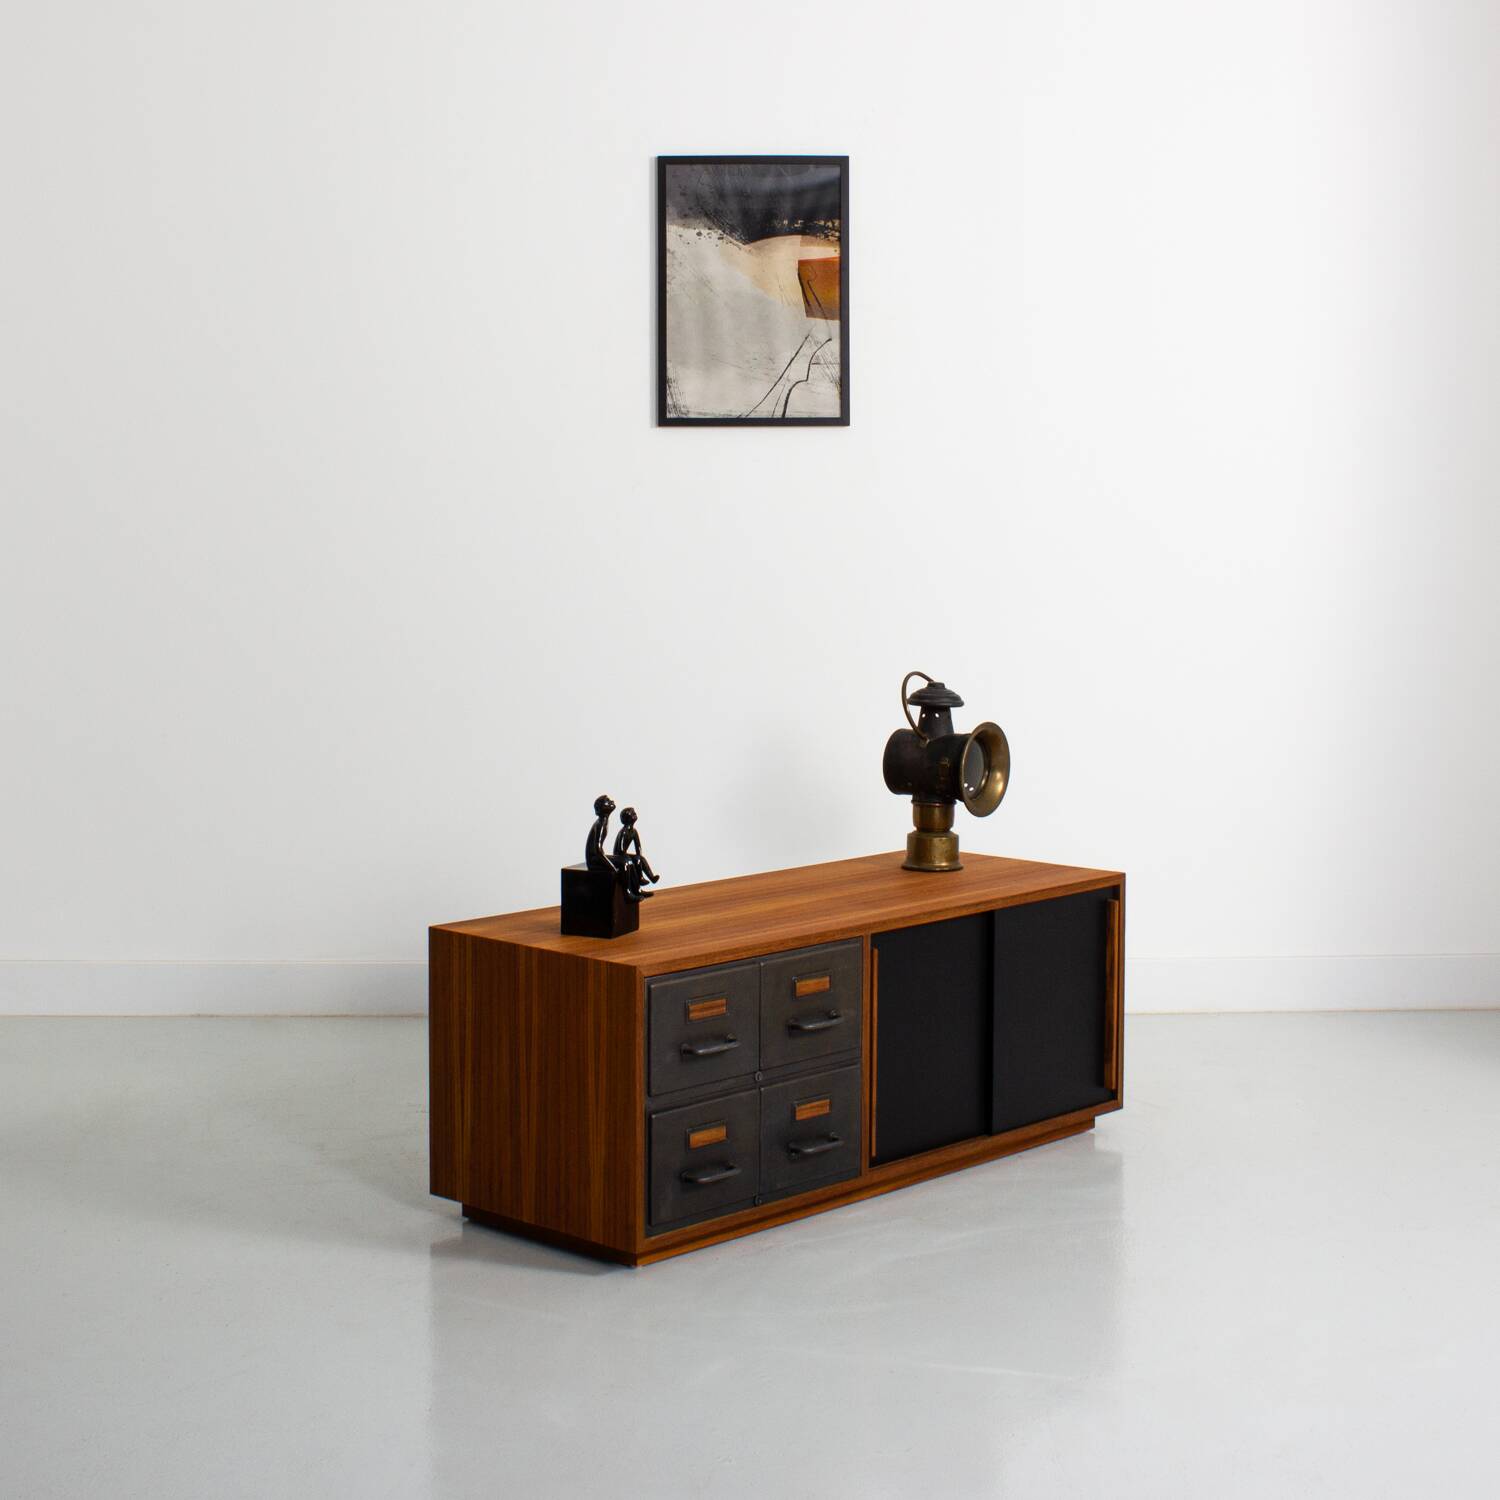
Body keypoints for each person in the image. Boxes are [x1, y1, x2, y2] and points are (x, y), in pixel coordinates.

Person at [612, 807, 659, 902]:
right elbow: (620, 849)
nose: (635, 814)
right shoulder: (624, 831)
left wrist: (639, 857)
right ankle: (639, 882)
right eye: (632, 814)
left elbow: (638, 847)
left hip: (625, 854)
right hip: (619, 855)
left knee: (640, 858)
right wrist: (634, 858)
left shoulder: (634, 831)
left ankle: (651, 877)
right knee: (633, 862)